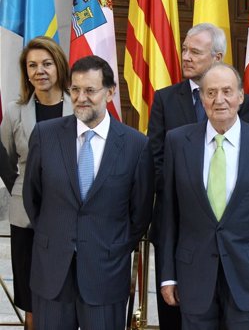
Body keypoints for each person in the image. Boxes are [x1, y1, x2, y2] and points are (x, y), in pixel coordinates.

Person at [159, 63, 249, 329]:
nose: (219, 100)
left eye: (227, 91)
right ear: (201, 98)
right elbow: (169, 211)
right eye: (211, 92)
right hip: (194, 276)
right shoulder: (177, 141)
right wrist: (167, 275)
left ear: (241, 97)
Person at [23, 55, 153, 330]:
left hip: (105, 273)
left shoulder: (135, 145)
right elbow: (32, 198)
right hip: (52, 274)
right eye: (75, 90)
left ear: (110, 91)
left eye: (90, 90)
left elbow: (139, 213)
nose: (81, 98)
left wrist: (112, 247)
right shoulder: (45, 135)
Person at [147, 23, 249, 329]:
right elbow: (156, 160)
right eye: (184, 49)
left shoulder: (239, 102)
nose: (186, 56)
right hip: (177, 224)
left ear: (217, 57)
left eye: (195, 51)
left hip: (227, 232)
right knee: (173, 308)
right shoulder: (165, 99)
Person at [0, 37, 73, 330]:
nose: (40, 70)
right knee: (31, 297)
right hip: (25, 218)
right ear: (26, 72)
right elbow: (3, 154)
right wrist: (22, 185)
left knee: (63, 291)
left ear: (58, 66)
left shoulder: (77, 107)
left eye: (46, 63)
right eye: (32, 65)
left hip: (68, 216)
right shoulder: (15, 111)